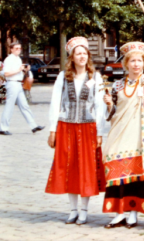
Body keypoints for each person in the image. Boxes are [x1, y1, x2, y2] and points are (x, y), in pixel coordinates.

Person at [45, 37, 106, 225]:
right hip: (66, 126)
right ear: (72, 57)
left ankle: (84, 210)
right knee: (70, 167)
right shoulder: (63, 77)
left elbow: (100, 105)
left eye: (84, 53)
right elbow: (55, 103)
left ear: (88, 56)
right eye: (78, 54)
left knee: (86, 168)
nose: (82, 57)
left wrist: (100, 132)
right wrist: (53, 129)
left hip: (88, 127)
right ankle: (73, 210)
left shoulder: (95, 77)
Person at [102, 42, 144, 229]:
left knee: (136, 174)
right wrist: (109, 104)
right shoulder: (118, 85)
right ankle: (119, 213)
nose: (136, 64)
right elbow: (112, 114)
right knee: (117, 170)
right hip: (119, 132)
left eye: (139, 61)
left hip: (140, 135)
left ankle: (133, 213)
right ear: (126, 64)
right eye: (132, 61)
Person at [0, 41, 44, 135]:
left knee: (24, 105)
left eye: (20, 48)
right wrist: (19, 69)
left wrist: (25, 70)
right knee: (9, 106)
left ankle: (33, 126)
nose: (18, 50)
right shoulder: (9, 59)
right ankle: (3, 127)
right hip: (12, 83)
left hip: (18, 83)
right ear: (11, 49)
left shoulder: (18, 59)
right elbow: (6, 73)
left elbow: (19, 73)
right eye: (16, 48)